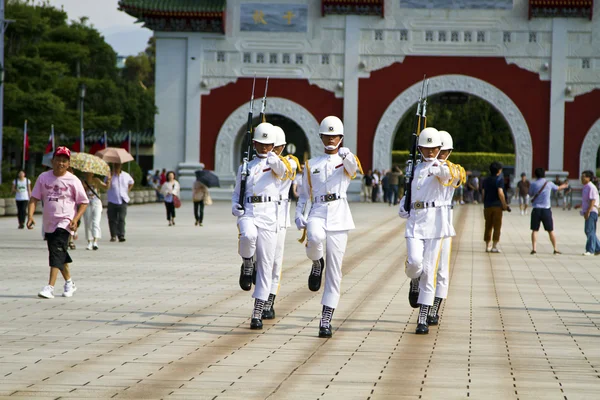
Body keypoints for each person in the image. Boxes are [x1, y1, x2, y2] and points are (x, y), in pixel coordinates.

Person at [295, 116, 362, 338]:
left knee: (335, 271)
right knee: (313, 238)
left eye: (335, 136)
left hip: (339, 213)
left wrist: (348, 155)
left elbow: (354, 170)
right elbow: (304, 194)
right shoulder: (311, 164)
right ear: (322, 137)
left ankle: (326, 319)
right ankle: (316, 262)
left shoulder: (345, 161)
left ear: (341, 138)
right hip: (318, 210)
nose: (331, 138)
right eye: (327, 135)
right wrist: (298, 214)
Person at [232, 122, 290, 330]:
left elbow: (284, 172)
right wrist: (234, 206)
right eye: (261, 144)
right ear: (254, 143)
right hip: (249, 212)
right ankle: (247, 262)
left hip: (269, 217)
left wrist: (274, 157)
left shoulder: (277, 164)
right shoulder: (245, 166)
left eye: (269, 144)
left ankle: (257, 312)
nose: (265, 148)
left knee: (266, 266)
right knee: (247, 236)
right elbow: (237, 190)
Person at [398, 127, 452, 335]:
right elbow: (410, 191)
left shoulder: (443, 166)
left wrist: (440, 169)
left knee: (430, 271)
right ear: (419, 148)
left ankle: (422, 317)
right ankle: (413, 278)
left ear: (440, 149)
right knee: (414, 264)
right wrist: (403, 204)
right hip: (415, 222)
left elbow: (450, 177)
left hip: (434, 224)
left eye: (434, 148)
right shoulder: (414, 169)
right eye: (426, 148)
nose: (430, 152)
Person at [26, 146, 89, 299]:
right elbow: (34, 198)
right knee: (58, 252)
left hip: (65, 222)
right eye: (58, 160)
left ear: (68, 164)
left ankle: (50, 287)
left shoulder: (73, 180)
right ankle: (69, 282)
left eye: (64, 161)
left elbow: (84, 202)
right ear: (52, 161)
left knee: (56, 250)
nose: (60, 163)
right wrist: (30, 216)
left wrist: (75, 219)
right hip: (49, 222)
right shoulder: (43, 178)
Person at [427, 130, 465, 327]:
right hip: (423, 221)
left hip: (443, 222)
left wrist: (435, 167)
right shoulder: (422, 167)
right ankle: (417, 285)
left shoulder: (454, 169)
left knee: (442, 269)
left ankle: (434, 308)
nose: (440, 153)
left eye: (444, 150)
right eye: (437, 149)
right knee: (422, 265)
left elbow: (450, 177)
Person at [262, 125, 301, 320]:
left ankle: (269, 301)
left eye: (276, 147)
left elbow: (282, 170)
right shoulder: (259, 163)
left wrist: (273, 158)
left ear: (283, 147)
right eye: (270, 146)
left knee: (276, 263)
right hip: (261, 215)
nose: (272, 151)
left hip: (279, 218)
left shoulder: (291, 163)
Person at [529, 168, 568, 255]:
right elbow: (558, 188)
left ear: (535, 175)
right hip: (546, 209)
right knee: (550, 230)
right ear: (544, 174)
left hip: (536, 209)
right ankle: (555, 248)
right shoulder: (549, 183)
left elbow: (530, 194)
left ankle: (534, 249)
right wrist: (565, 185)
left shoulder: (533, 184)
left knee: (535, 230)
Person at [481, 162, 509, 253]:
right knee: (497, 226)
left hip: (487, 206)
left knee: (488, 226)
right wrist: (504, 204)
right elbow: (500, 192)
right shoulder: (499, 180)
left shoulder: (485, 180)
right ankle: (494, 246)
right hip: (497, 206)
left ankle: (487, 246)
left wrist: (484, 202)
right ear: (499, 170)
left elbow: (483, 193)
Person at [106, 163, 134, 242]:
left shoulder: (126, 175)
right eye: (115, 166)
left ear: (121, 166)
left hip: (123, 200)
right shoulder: (110, 176)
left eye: (118, 166)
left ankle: (121, 235)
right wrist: (109, 178)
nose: (116, 167)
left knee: (121, 218)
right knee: (112, 219)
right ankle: (113, 235)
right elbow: (106, 186)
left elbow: (132, 182)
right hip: (112, 200)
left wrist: (128, 190)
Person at [575, 170, 600, 256]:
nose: (581, 178)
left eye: (583, 177)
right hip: (589, 210)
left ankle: (590, 250)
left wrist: (588, 211)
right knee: (590, 231)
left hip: (592, 211)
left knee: (589, 230)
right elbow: (587, 200)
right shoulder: (586, 187)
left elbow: (593, 200)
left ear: (589, 178)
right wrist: (580, 206)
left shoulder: (591, 187)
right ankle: (598, 248)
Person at [82, 172, 107, 250]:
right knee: (87, 223)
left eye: (90, 173)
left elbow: (105, 187)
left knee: (95, 222)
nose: (89, 174)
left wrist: (108, 181)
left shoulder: (96, 180)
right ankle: (89, 242)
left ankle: (95, 241)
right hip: (87, 204)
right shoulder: (83, 182)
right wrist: (84, 187)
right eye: (87, 173)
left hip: (96, 203)